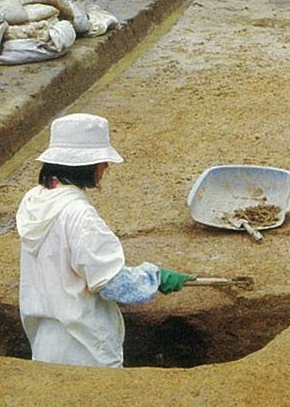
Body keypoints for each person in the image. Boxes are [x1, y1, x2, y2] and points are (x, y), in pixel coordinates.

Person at [16, 112, 195, 367]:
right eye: (102, 161)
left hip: (46, 346)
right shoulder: (80, 216)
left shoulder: (35, 200)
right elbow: (111, 282)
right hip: (85, 350)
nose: (106, 167)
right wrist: (154, 278)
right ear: (86, 165)